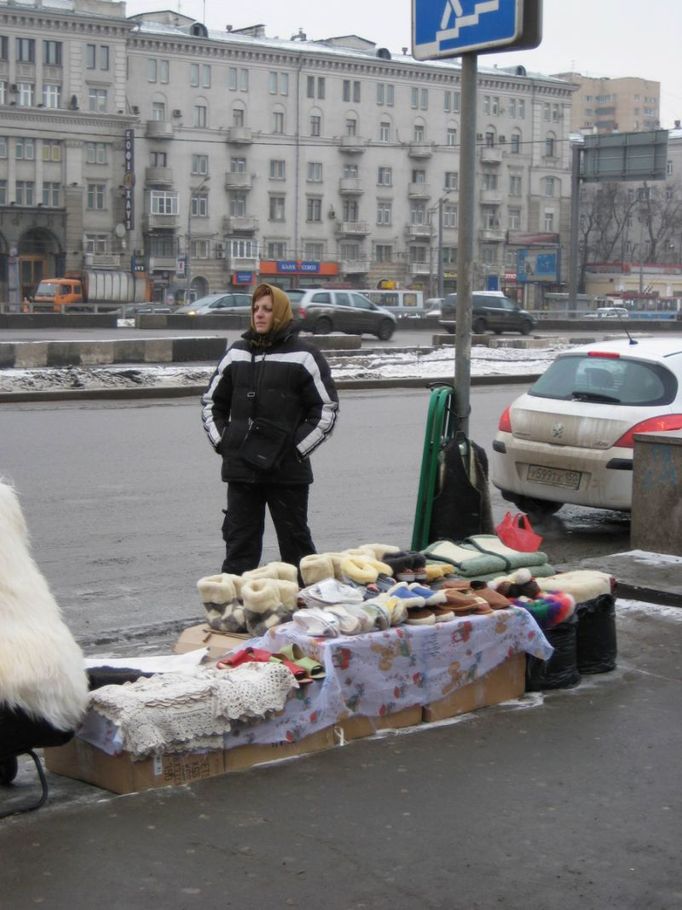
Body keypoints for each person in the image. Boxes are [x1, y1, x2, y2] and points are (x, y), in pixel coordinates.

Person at [201, 283, 339, 575]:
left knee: (298, 551)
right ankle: (234, 610)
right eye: (255, 309)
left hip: (287, 472)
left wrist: (295, 449)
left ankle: (305, 613)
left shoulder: (305, 356)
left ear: (280, 313)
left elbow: (325, 410)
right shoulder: (236, 354)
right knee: (239, 549)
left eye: (267, 309)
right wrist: (224, 442)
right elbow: (212, 402)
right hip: (242, 471)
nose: (260, 315)